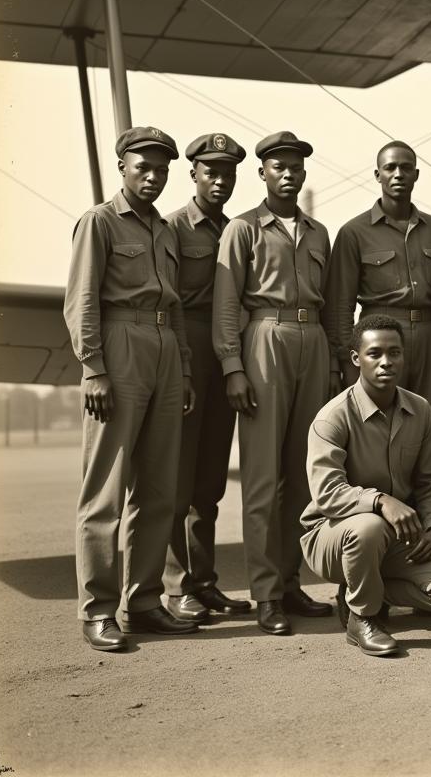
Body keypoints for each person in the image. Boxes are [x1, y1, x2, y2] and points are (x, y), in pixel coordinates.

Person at [65, 126, 198, 652]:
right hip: (119, 348)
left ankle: (142, 602)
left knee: (159, 487)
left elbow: (177, 307)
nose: (152, 176)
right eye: (143, 166)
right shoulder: (98, 222)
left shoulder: (165, 231)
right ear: (122, 166)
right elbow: (82, 300)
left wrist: (185, 369)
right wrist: (93, 368)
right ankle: (97, 610)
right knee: (105, 489)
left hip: (165, 348)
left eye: (161, 169)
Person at [212, 131, 337, 636]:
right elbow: (226, 303)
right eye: (278, 166)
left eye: (296, 167)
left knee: (303, 475)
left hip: (313, 339)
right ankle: (265, 594)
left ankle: (290, 582)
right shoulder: (242, 229)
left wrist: (331, 367)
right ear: (262, 173)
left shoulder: (319, 232)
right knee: (263, 477)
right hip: (265, 337)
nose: (289, 173)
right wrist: (232, 366)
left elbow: (332, 299)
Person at [301, 315, 431, 657]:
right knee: (369, 526)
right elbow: (328, 493)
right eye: (374, 353)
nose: (386, 362)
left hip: (397, 536)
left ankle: (362, 588)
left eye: (394, 353)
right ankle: (363, 617)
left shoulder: (420, 411)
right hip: (333, 534)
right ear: (356, 359)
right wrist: (379, 501)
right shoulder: (333, 417)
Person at [162, 133, 252, 622]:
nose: (220, 180)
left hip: (229, 356)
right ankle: (178, 587)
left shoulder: (240, 228)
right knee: (179, 478)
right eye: (211, 172)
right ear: (193, 174)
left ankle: (206, 582)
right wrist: (182, 368)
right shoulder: (173, 227)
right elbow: (169, 302)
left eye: (228, 173)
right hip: (191, 346)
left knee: (211, 480)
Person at [329, 141, 431, 443]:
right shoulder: (353, 232)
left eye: (406, 168)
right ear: (377, 174)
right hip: (377, 337)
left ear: (416, 174)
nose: (398, 174)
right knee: (378, 427)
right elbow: (340, 305)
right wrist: (348, 361)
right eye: (390, 168)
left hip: (428, 339)